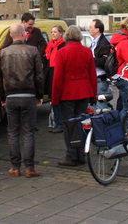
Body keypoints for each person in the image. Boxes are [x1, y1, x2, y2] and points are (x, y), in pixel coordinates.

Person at [0, 23, 44, 178]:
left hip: (11, 96)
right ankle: (29, 168)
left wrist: (2, 97)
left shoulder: (3, 53)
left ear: (11, 35)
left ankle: (15, 167)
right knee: (29, 132)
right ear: (23, 34)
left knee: (13, 132)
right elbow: (39, 75)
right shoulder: (32, 51)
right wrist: (39, 95)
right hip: (28, 95)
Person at [51, 26, 97, 167]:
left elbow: (57, 78)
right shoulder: (87, 51)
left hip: (68, 94)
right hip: (84, 92)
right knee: (81, 123)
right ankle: (82, 154)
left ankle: (71, 155)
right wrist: (93, 95)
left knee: (68, 125)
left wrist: (55, 99)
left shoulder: (62, 52)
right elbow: (92, 75)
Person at [44, 25, 65, 133]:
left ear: (61, 33)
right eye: (52, 32)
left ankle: (60, 123)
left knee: (59, 100)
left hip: (58, 74)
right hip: (51, 74)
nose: (53, 34)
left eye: (55, 32)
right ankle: (57, 122)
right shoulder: (50, 46)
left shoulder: (63, 46)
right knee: (54, 100)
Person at [89, 19, 111, 96]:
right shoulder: (94, 42)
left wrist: (90, 60)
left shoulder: (104, 43)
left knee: (100, 105)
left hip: (100, 78)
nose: (89, 29)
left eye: (91, 27)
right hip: (94, 78)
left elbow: (105, 61)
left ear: (97, 30)